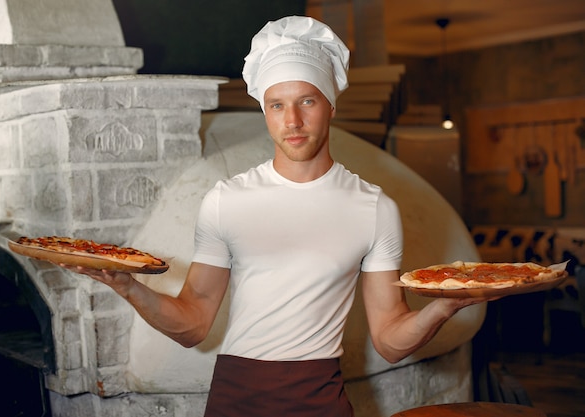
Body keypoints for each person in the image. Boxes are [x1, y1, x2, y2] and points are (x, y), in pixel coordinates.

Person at [66, 15, 490, 417]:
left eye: (307, 101)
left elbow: (391, 341)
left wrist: (444, 306)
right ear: (264, 111)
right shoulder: (226, 200)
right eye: (276, 105)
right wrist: (126, 286)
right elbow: (193, 323)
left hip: (319, 397)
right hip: (235, 396)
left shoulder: (374, 208)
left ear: (330, 107)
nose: (293, 121)